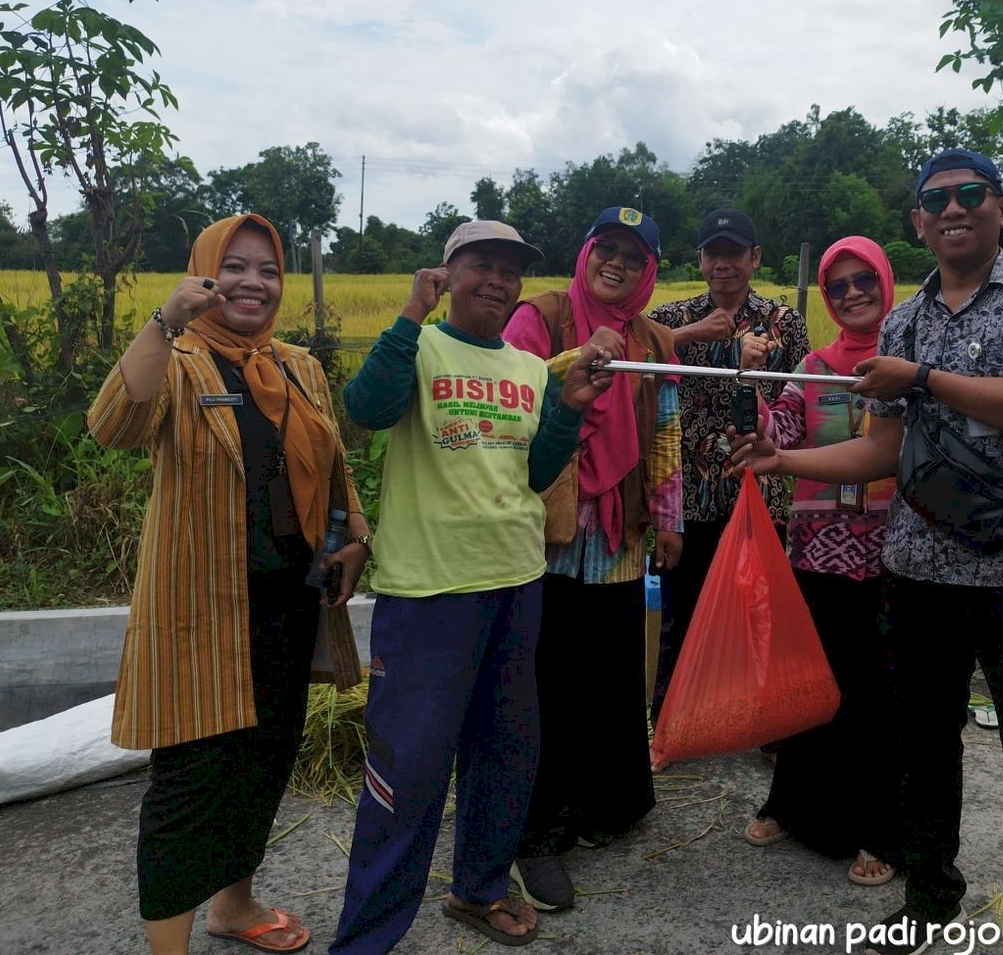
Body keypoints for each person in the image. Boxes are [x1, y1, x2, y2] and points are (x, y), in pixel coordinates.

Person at [730, 150, 1003, 955]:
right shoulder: (903, 320)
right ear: (920, 222)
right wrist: (782, 462)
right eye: (937, 201)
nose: (954, 210)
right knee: (924, 747)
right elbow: (880, 452)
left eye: (971, 195)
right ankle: (930, 899)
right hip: (919, 566)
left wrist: (921, 377)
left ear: (1000, 209)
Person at [328, 221, 615, 953]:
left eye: (510, 270)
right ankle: (366, 937)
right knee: (409, 767)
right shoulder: (417, 345)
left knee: (505, 749)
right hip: (429, 591)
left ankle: (479, 887)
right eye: (480, 265)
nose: (497, 280)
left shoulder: (527, 368)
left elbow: (535, 470)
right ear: (447, 273)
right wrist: (405, 317)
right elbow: (365, 411)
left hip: (517, 580)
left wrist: (570, 407)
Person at [88, 213, 370, 955]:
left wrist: (348, 542)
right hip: (199, 610)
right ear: (204, 273)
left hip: (287, 602)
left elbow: (334, 470)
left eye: (268, 270)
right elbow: (113, 425)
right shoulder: (180, 358)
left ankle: (234, 907)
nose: (252, 283)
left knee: (263, 763)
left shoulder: (299, 366)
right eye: (233, 268)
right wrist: (163, 320)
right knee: (189, 785)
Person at [500, 207, 683, 911]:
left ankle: (605, 803)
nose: (617, 264)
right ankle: (533, 830)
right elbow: (506, 388)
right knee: (544, 676)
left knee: (608, 673)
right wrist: (578, 359)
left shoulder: (656, 338)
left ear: (650, 271)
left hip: (619, 534)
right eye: (605, 248)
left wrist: (669, 521)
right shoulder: (539, 318)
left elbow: (664, 431)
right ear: (586, 252)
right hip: (542, 531)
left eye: (634, 257)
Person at [736, 236, 899, 889]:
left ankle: (880, 828)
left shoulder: (909, 364)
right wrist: (748, 380)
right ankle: (790, 805)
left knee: (874, 695)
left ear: (886, 283)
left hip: (891, 557)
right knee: (806, 681)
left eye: (866, 281)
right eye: (839, 286)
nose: (853, 293)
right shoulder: (813, 364)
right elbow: (776, 432)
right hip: (816, 551)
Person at [647, 207, 810, 729]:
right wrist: (695, 333)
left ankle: (764, 723)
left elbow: (799, 407)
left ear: (754, 258)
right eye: (713, 254)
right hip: (688, 494)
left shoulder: (784, 323)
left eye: (734, 253)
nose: (723, 264)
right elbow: (635, 362)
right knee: (683, 613)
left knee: (761, 611)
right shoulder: (671, 319)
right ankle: (673, 720)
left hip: (758, 492)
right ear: (699, 260)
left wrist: (756, 369)